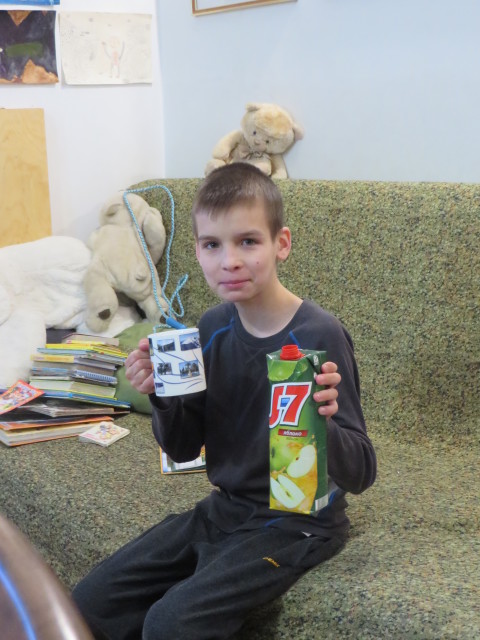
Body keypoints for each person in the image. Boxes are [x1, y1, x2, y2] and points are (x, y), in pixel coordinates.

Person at [72, 163, 377, 640]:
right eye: (212, 245)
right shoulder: (211, 329)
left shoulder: (320, 334)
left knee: (171, 623)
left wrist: (325, 424)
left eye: (248, 241)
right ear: (197, 250)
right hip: (225, 509)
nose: (229, 260)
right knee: (90, 603)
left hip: (300, 524)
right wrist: (162, 397)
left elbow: (362, 473)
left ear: (281, 244)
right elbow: (181, 448)